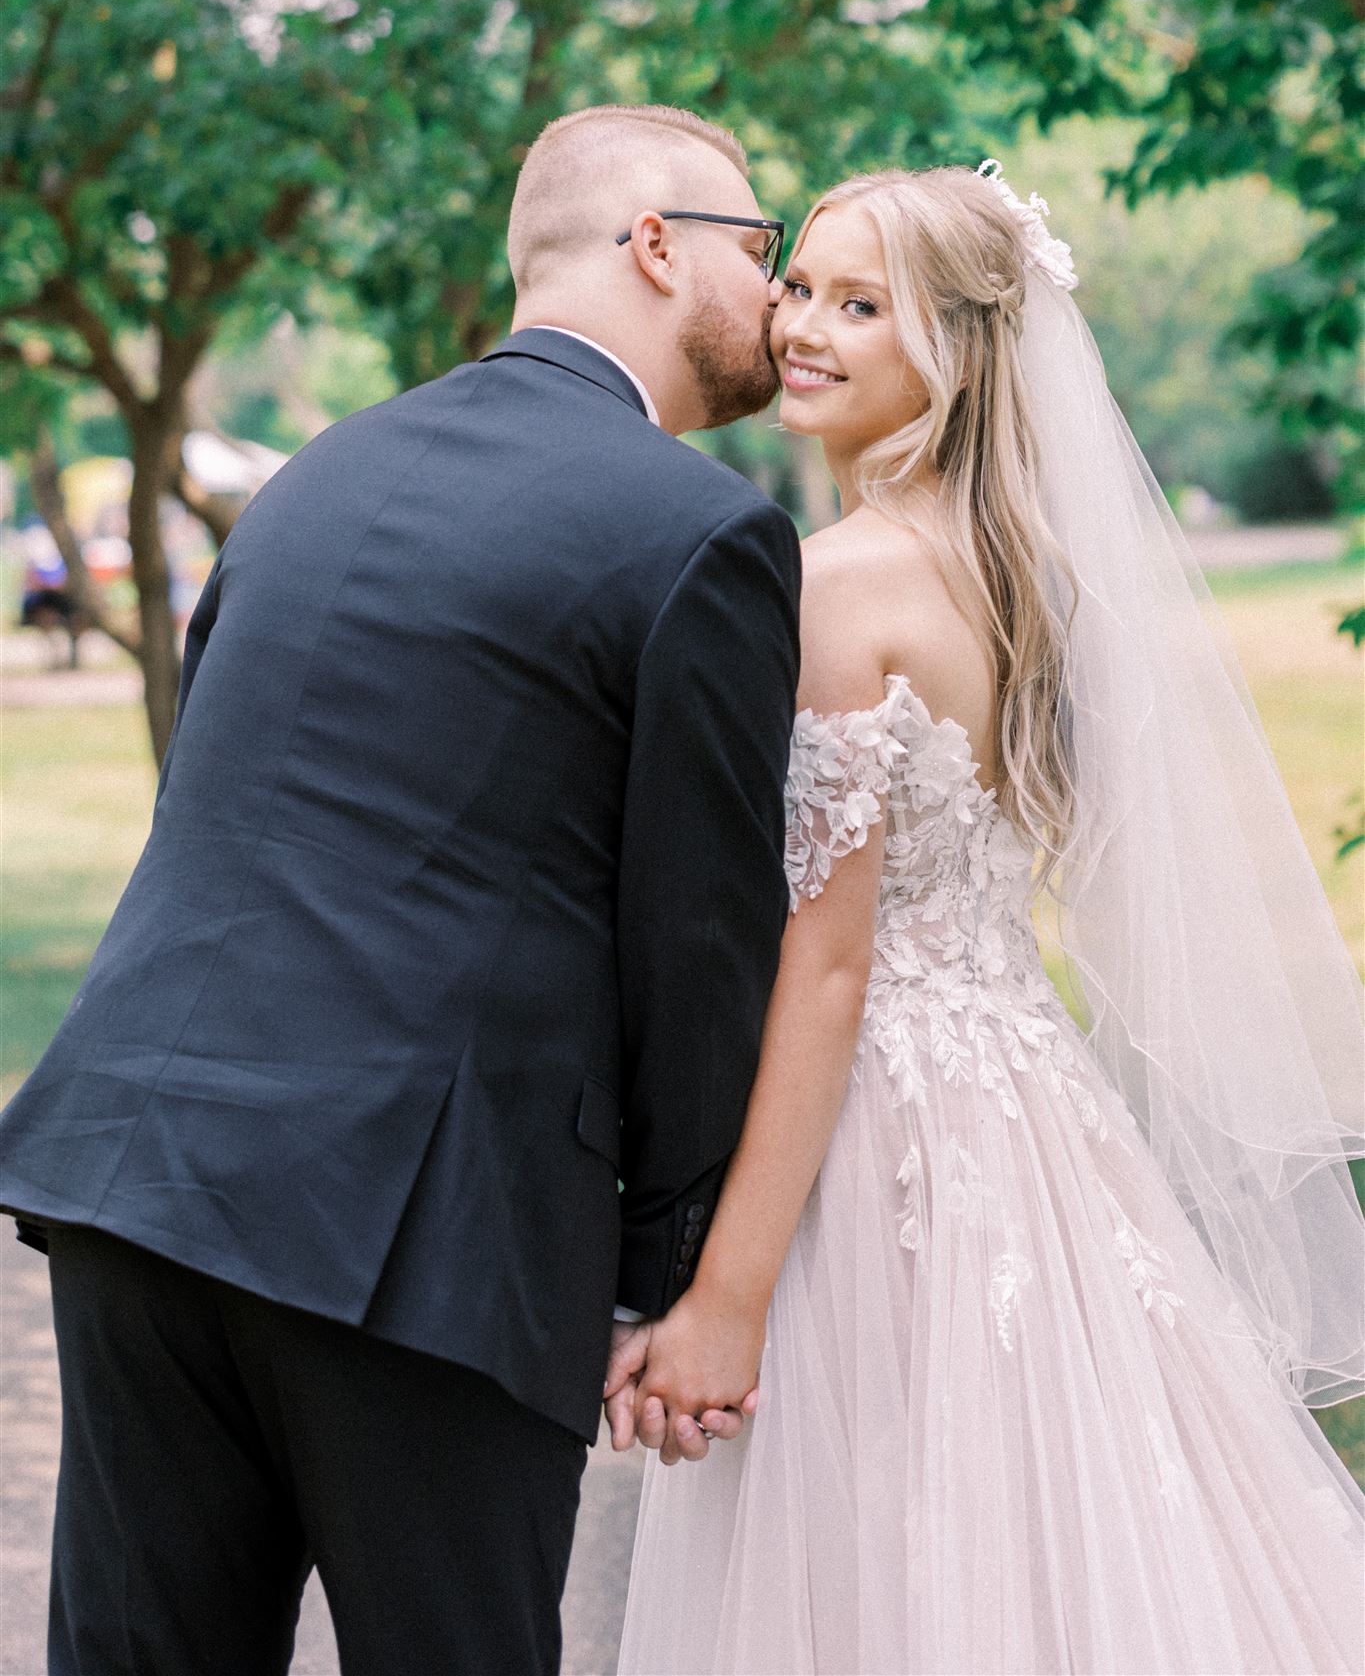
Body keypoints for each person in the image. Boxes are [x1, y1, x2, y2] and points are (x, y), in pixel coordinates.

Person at [0, 103, 802, 1676]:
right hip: (423, 1228)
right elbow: (700, 948)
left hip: (141, 1179)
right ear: (655, 246)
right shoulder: (702, 531)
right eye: (757, 250)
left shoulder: (313, 476)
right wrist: (654, 1278)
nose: (772, 297)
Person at [610, 163, 1365, 1675]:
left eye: (858, 304)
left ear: (951, 350)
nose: (801, 325)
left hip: (868, 1137)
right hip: (1024, 1110)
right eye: (801, 284)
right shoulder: (1022, 576)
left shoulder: (834, 586)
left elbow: (822, 973)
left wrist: (725, 1300)